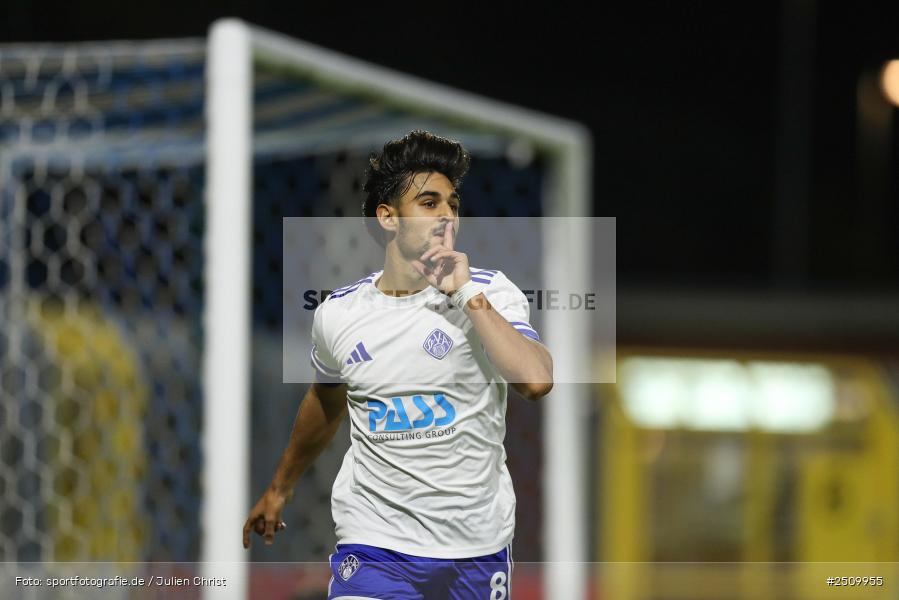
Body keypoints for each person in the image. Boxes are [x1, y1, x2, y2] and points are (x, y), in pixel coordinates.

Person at [243, 130, 553, 599]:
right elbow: (326, 401)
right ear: (388, 217)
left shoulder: (491, 292)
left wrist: (467, 295)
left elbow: (536, 381)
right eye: (429, 203)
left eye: (452, 204)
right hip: (375, 544)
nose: (446, 215)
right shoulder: (339, 315)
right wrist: (280, 487)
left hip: (475, 547)